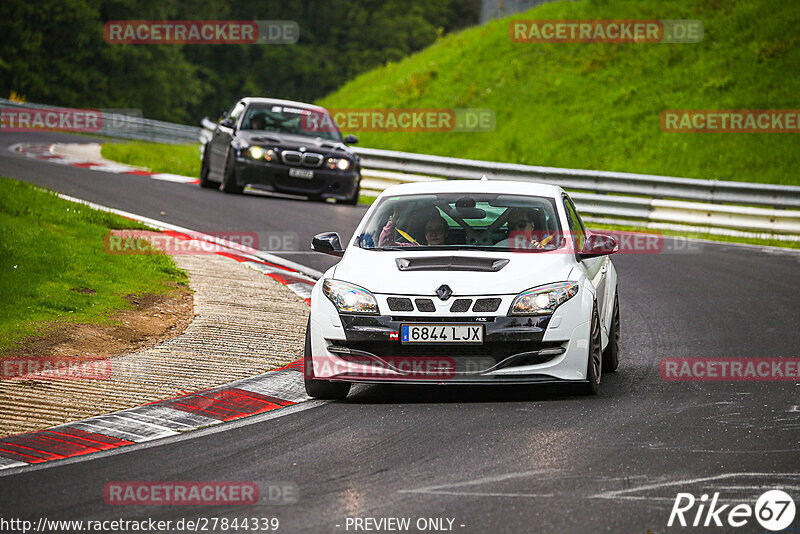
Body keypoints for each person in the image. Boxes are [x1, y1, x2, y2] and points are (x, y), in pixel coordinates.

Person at [379, 208, 448, 247]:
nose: (434, 234)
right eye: (430, 230)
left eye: (438, 230)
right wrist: (393, 220)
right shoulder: (414, 248)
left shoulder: (457, 250)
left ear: (446, 233)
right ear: (425, 235)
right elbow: (385, 245)